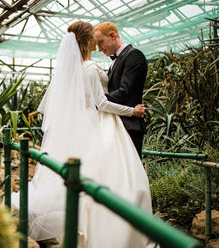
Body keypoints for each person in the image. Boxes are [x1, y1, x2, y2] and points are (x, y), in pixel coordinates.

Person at [12, 21, 152, 248]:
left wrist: (92, 101)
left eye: (102, 42)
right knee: (114, 178)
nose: (99, 46)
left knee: (122, 178)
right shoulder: (88, 67)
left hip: (117, 126)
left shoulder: (131, 57)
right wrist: (130, 111)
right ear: (87, 42)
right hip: (109, 122)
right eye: (95, 42)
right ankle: (110, 227)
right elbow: (102, 102)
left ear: (112, 35)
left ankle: (117, 223)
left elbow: (120, 92)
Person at [95, 22, 148, 157]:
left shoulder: (134, 55)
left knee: (130, 172)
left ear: (112, 36)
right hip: (117, 123)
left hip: (130, 125)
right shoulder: (115, 60)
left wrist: (96, 101)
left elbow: (125, 92)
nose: (100, 49)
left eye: (101, 43)